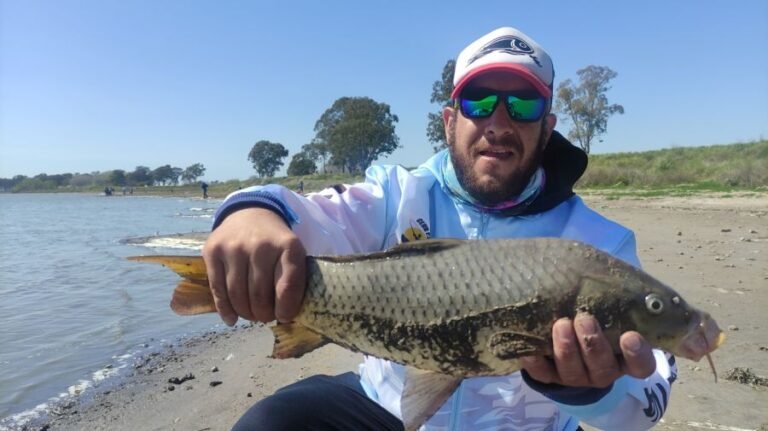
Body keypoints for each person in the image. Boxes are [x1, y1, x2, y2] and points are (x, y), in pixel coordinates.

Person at [203, 27, 676, 431]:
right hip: (386, 406)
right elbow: (310, 216)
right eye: (479, 100)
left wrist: (593, 393)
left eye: (523, 105)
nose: (498, 122)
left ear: (547, 128)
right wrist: (250, 213)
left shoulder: (601, 245)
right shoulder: (396, 194)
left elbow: (646, 404)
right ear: (450, 121)